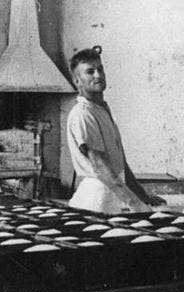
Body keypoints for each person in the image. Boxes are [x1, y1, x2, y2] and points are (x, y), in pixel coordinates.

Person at [66, 46, 165, 214]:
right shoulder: (83, 114)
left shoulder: (101, 109)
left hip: (110, 195)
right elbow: (100, 166)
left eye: (100, 69)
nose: (98, 75)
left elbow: (120, 165)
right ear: (77, 81)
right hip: (95, 199)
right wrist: (134, 203)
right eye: (90, 72)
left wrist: (143, 197)